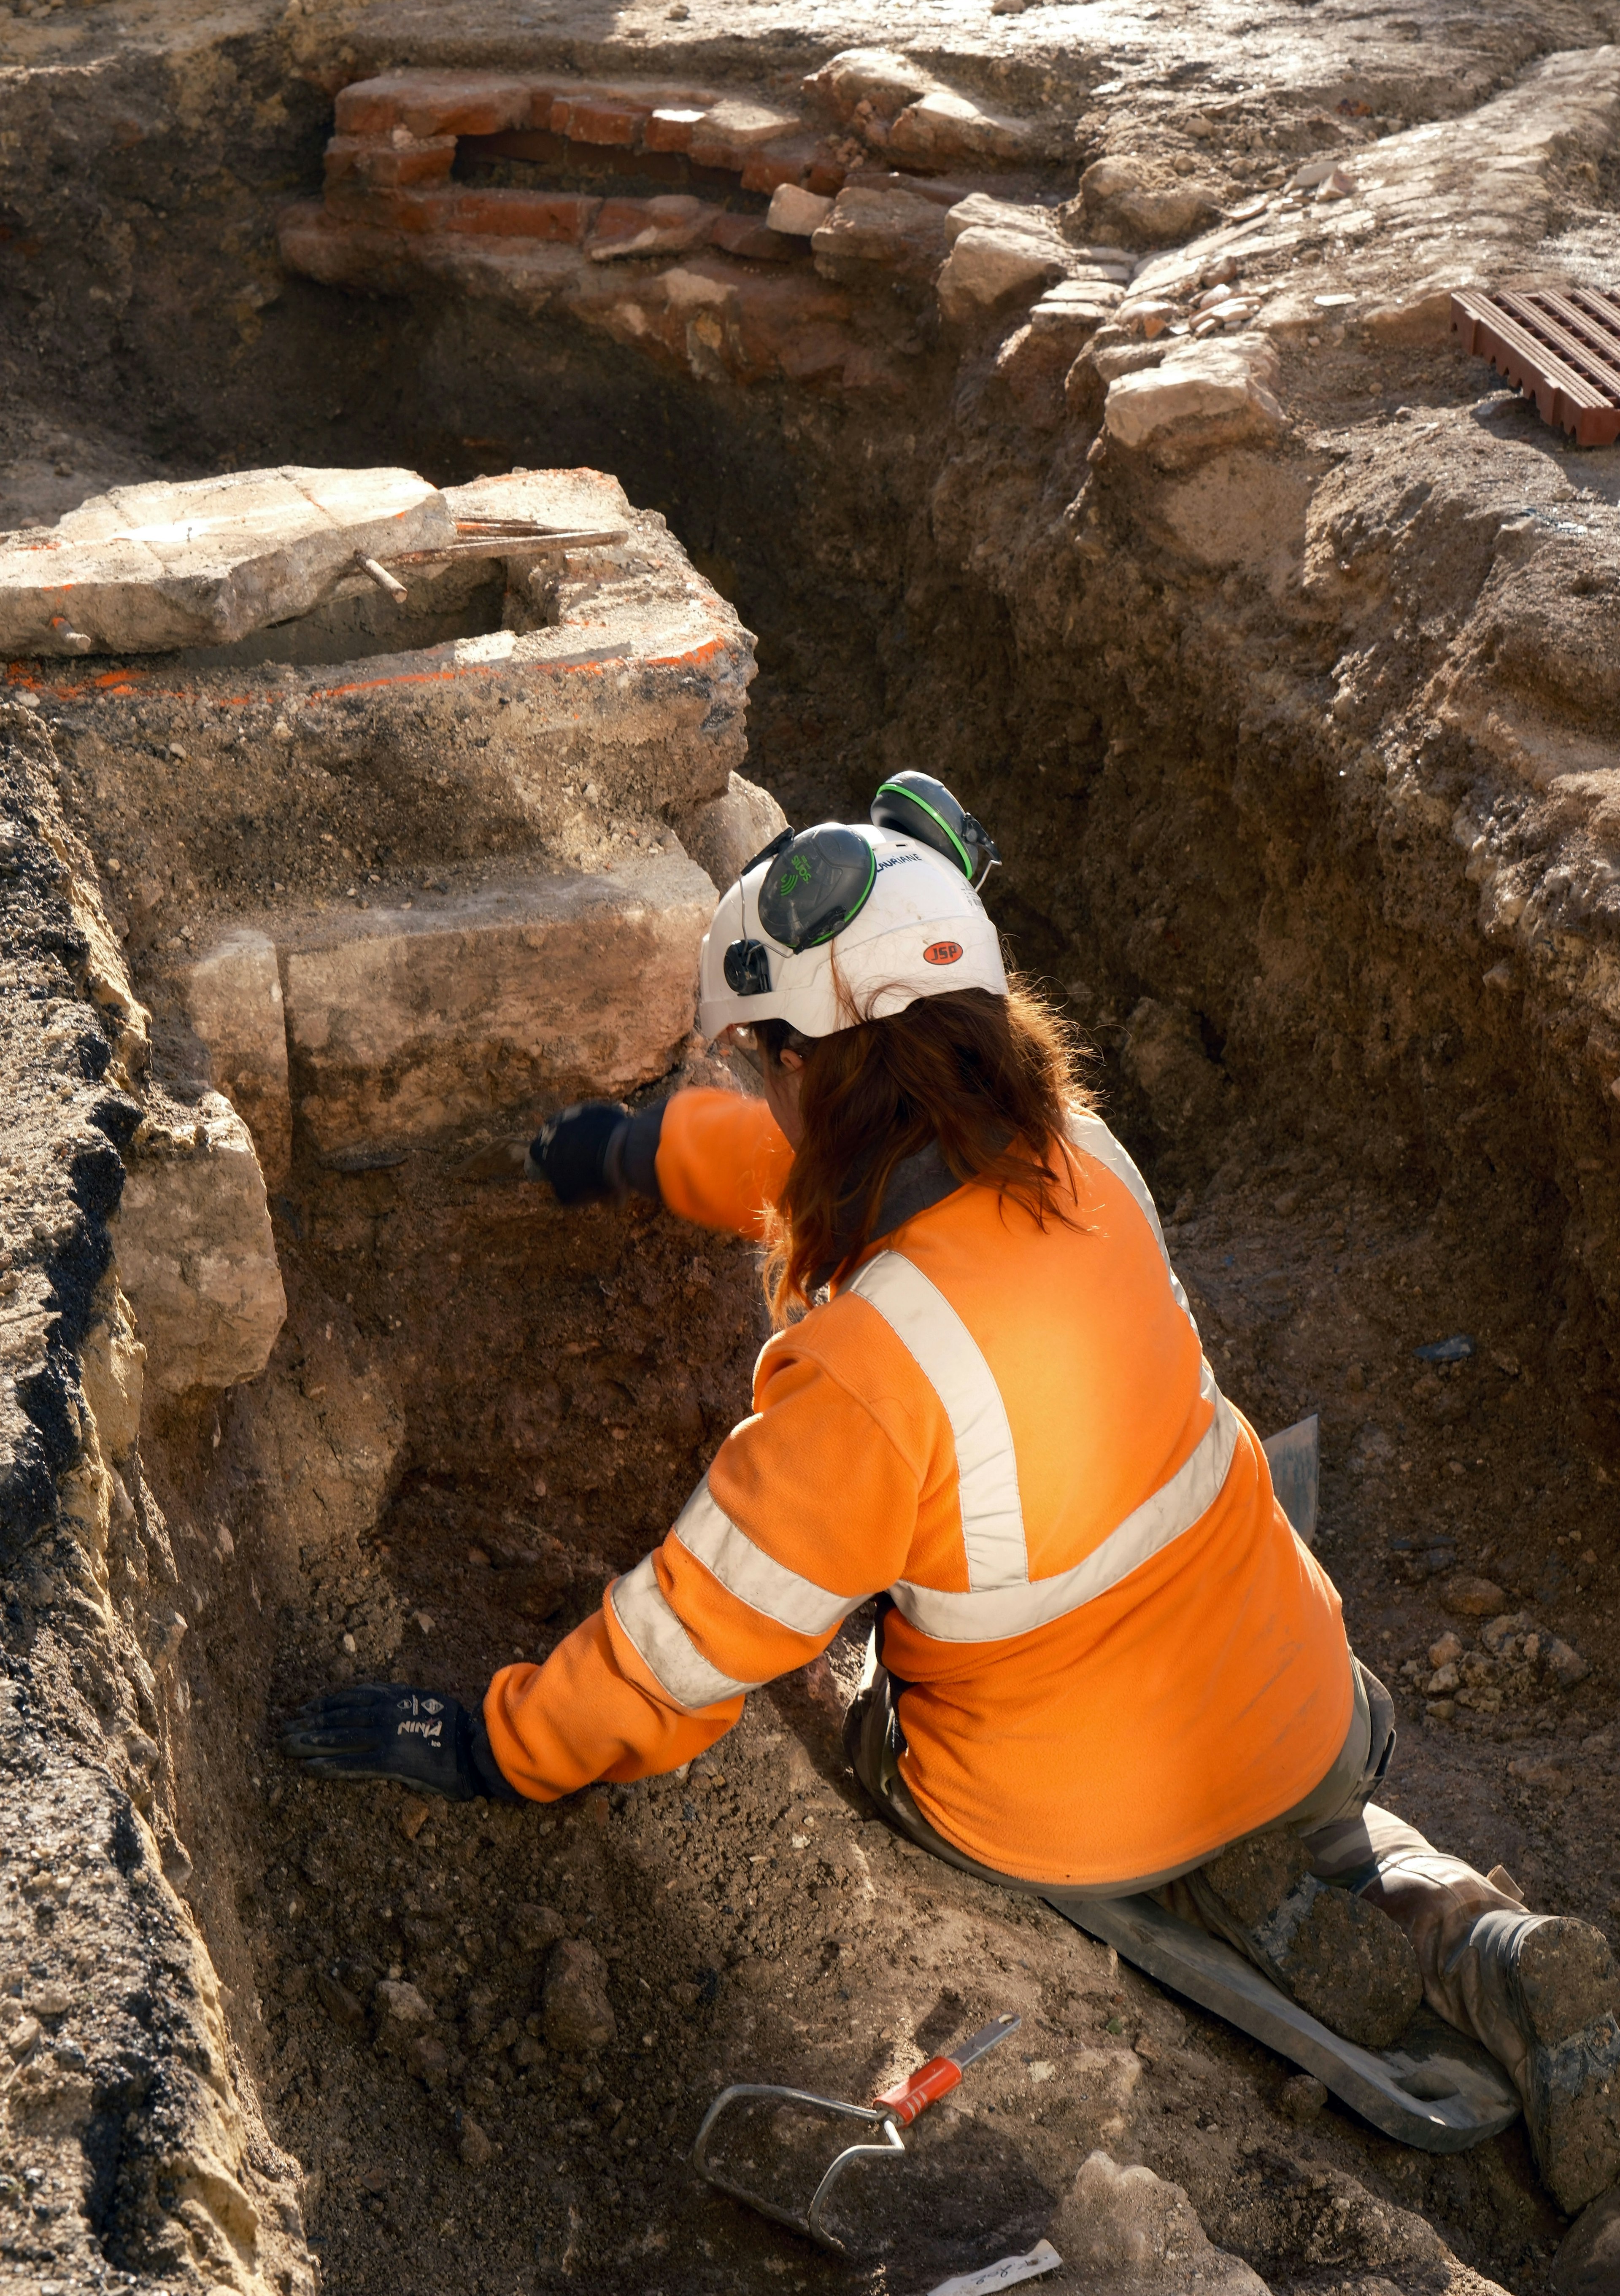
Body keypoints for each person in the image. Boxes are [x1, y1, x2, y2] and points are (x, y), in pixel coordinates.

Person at [284, 771, 1620, 2217]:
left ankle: (1244, 1898)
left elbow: (681, 1650)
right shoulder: (1079, 1153)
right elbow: (850, 1173)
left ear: (810, 1071)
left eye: (754, 1070)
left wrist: (493, 1743)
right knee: (1269, 1751)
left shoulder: (867, 1377)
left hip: (1069, 1799)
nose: (748, 1094)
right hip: (1299, 1687)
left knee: (858, 1711)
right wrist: (646, 1150)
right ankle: (1462, 1934)